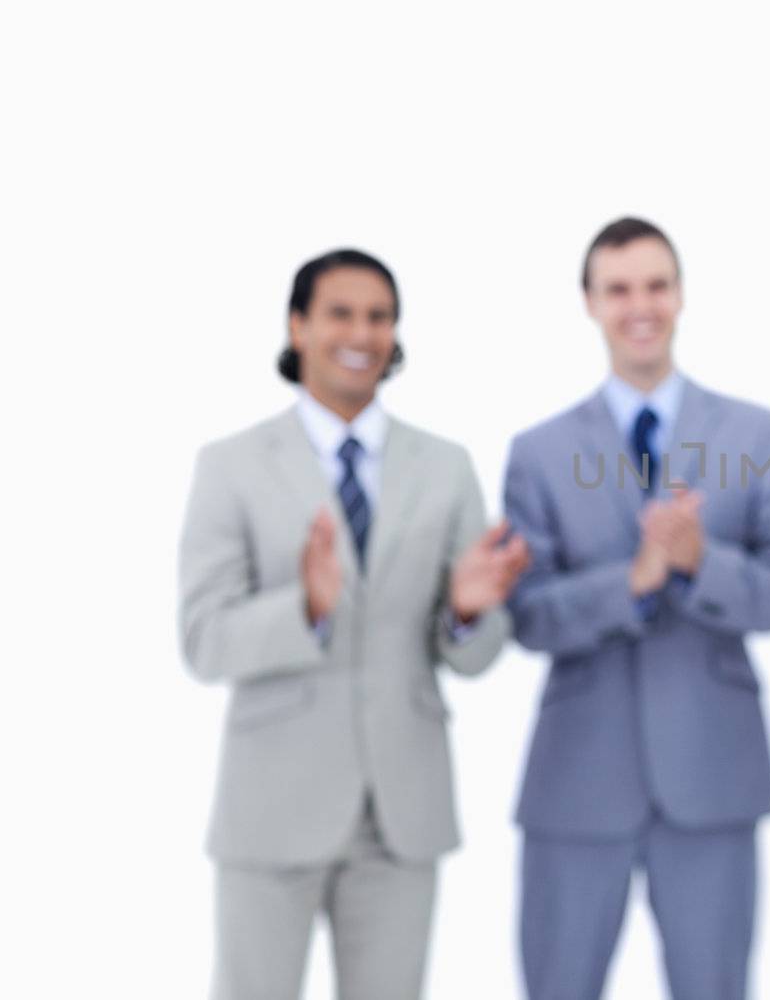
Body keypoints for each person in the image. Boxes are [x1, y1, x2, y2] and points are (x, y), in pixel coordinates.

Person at [178, 248, 529, 1000]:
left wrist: (467, 611)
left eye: (380, 316)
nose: (362, 333)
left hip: (401, 810)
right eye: (341, 312)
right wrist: (304, 606)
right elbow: (204, 640)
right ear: (298, 325)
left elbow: (475, 654)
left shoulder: (445, 466)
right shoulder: (231, 465)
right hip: (272, 806)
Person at [502, 216, 770, 1000]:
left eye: (656, 285)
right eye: (619, 289)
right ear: (590, 302)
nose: (640, 305)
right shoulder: (537, 450)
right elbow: (528, 615)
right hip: (577, 777)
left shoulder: (754, 431)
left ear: (680, 295)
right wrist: (632, 580)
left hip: (712, 769)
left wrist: (700, 560)